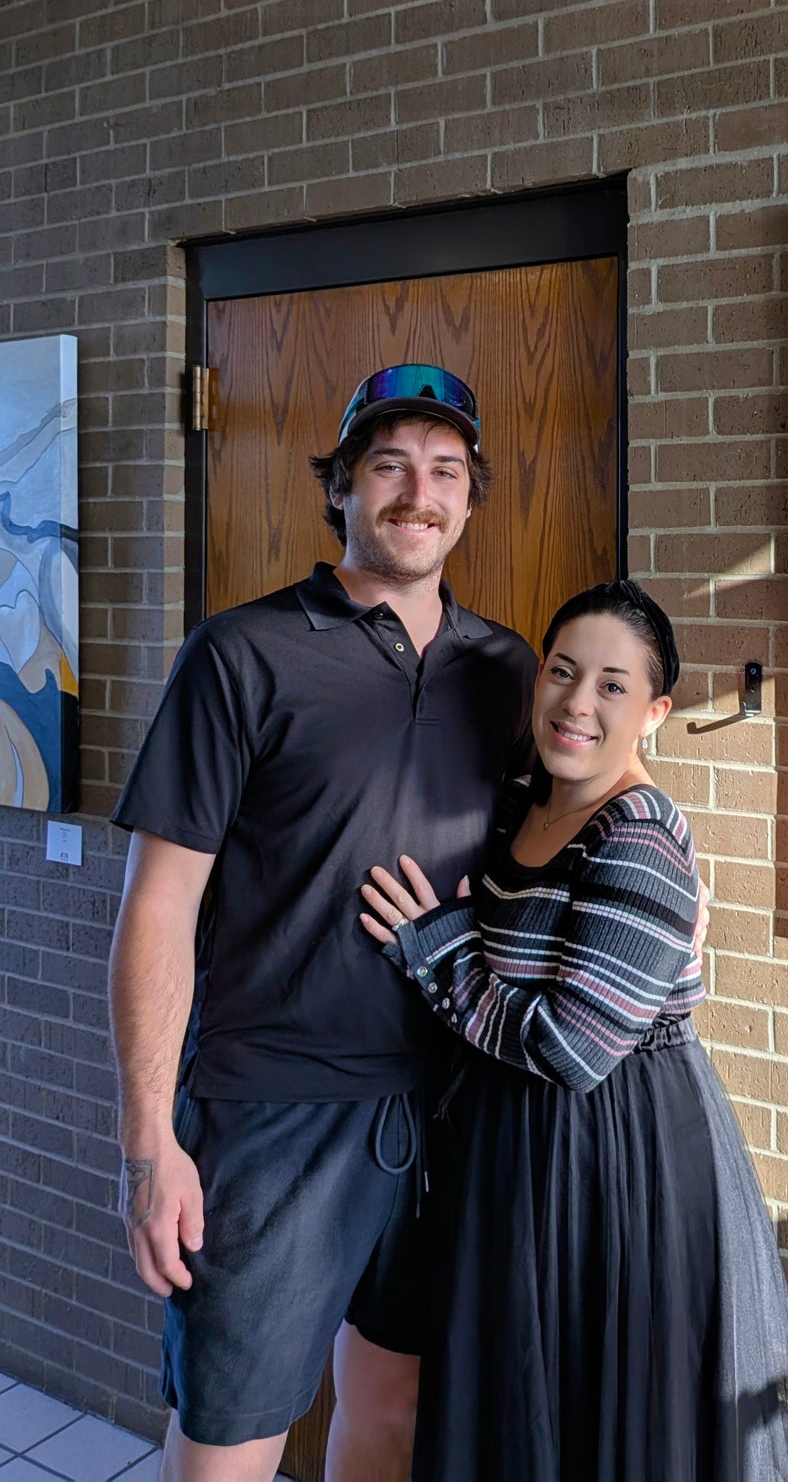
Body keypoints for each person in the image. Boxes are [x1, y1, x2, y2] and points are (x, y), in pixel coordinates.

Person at [108, 365, 535, 1482]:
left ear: (470, 497)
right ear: (341, 486)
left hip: (448, 1102)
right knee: (230, 1439)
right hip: (269, 1109)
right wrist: (151, 1144)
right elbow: (158, 904)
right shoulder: (241, 654)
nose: (416, 491)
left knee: (393, 1406)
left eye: (445, 469)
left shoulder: (505, 669)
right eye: (387, 463)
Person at [360, 579, 788, 1482]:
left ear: (655, 711)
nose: (578, 702)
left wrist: (439, 950)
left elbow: (573, 1048)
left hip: (613, 1158)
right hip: (514, 1149)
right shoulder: (526, 802)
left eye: (613, 685)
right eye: (563, 672)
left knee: (591, 1413)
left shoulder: (639, 835)